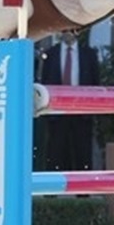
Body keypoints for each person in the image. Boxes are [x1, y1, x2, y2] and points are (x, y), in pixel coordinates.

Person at [38, 31, 100, 171]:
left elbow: (95, 83)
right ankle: (53, 183)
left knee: (83, 152)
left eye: (72, 30)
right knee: (56, 152)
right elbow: (45, 82)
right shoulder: (51, 54)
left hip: (82, 112)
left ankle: (83, 184)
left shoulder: (88, 54)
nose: (68, 33)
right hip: (57, 112)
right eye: (65, 30)